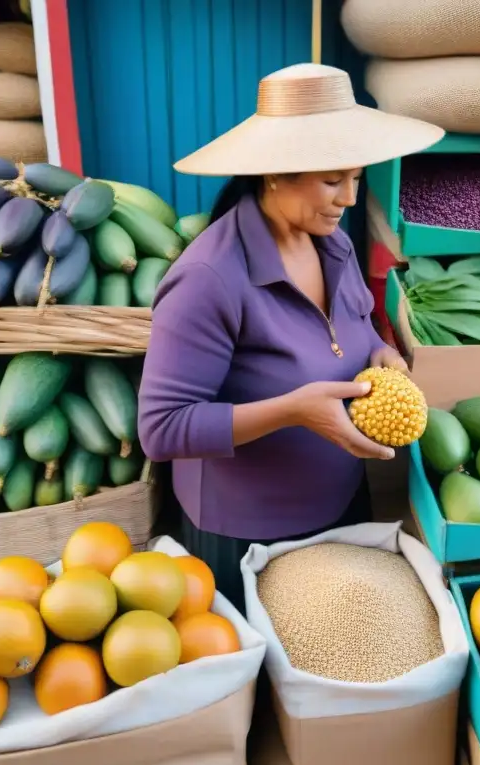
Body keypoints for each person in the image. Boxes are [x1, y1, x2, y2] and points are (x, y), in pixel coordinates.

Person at [138, 63, 444, 612]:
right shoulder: (207, 280)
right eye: (333, 180)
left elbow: (355, 327)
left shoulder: (334, 245)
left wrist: (379, 351)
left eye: (356, 177)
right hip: (248, 535)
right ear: (275, 173)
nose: (349, 198)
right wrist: (294, 411)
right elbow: (162, 429)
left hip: (343, 503)